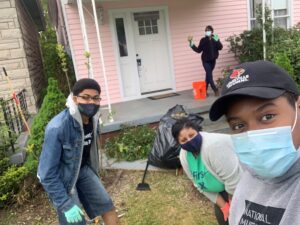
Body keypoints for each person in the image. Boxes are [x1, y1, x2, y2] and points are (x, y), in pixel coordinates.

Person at [209, 60, 300, 224]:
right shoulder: (250, 176)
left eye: (267, 116)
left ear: (298, 106)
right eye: (239, 125)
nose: (253, 137)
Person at [37, 78, 119, 225]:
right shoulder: (58, 127)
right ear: (75, 99)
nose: (91, 102)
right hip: (63, 178)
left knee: (107, 207)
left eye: (95, 98)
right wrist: (65, 204)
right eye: (85, 97)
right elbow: (46, 174)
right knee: (76, 221)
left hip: (83, 170)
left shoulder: (93, 119)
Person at [172, 118, 243, 225]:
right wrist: (224, 206)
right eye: (184, 140)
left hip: (241, 184)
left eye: (191, 135)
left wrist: (232, 205)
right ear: (179, 143)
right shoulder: (184, 155)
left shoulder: (213, 147)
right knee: (224, 219)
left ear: (198, 131)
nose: (189, 141)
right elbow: (198, 184)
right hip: (221, 190)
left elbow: (233, 181)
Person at [188, 25, 223, 96]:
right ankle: (215, 90)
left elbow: (220, 47)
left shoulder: (215, 38)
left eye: (208, 30)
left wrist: (217, 41)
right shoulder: (203, 40)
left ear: (212, 31)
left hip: (213, 61)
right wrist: (191, 43)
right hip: (205, 61)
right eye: (206, 30)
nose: (207, 31)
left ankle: (204, 91)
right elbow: (198, 50)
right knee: (210, 76)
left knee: (208, 76)